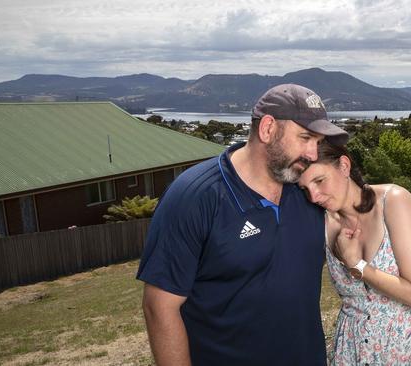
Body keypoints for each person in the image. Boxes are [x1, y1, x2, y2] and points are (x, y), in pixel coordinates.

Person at [137, 84, 348, 365]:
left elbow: (361, 200)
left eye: (318, 142)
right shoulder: (194, 196)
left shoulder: (309, 190)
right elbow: (159, 308)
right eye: (305, 137)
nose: (312, 153)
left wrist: (393, 199)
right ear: (268, 129)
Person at [298, 141, 411, 365]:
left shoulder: (394, 202)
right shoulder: (321, 223)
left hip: (410, 347)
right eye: (304, 188)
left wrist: (356, 265)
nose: (314, 196)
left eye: (320, 181)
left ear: (343, 166)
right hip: (352, 349)